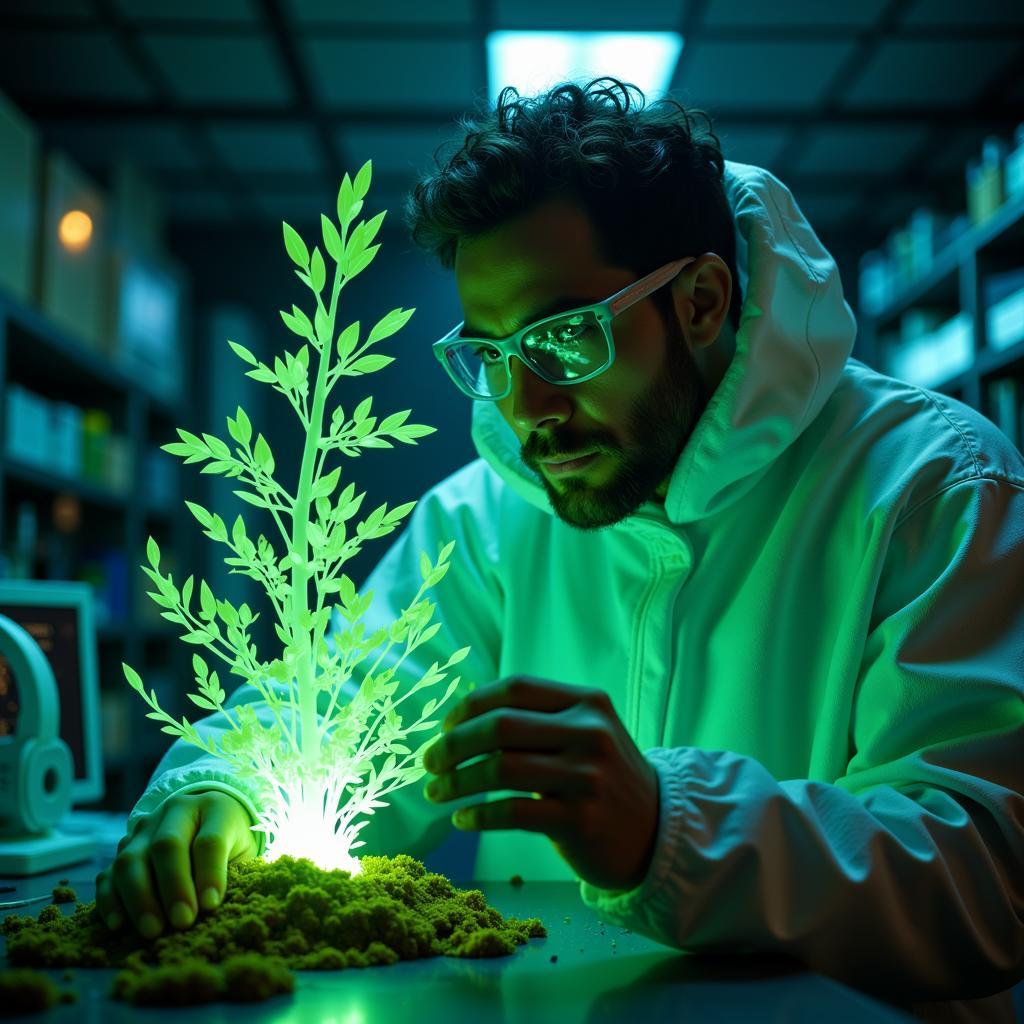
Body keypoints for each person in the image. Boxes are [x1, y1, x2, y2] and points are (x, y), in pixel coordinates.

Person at [96, 79, 1023, 1019]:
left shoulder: (931, 487)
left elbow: (989, 879)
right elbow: (342, 704)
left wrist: (669, 827)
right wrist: (225, 787)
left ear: (701, 301)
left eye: (567, 338)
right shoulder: (491, 521)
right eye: (493, 355)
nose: (526, 407)